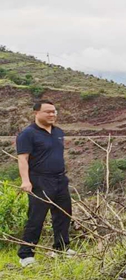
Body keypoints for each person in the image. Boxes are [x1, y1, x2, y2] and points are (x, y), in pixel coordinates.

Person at [16, 100, 74, 267]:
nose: (52, 114)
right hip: (40, 180)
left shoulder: (58, 132)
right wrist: (25, 181)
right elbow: (23, 159)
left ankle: (61, 248)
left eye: (54, 111)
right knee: (36, 217)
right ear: (36, 113)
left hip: (60, 179)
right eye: (48, 111)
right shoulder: (28, 134)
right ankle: (26, 255)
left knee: (63, 214)